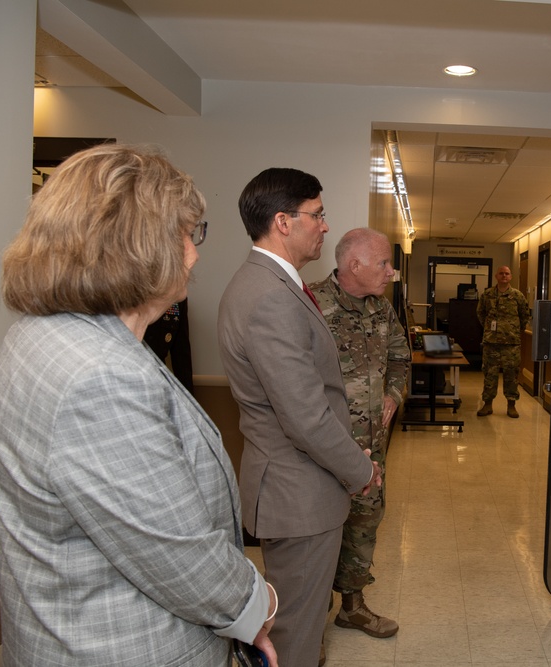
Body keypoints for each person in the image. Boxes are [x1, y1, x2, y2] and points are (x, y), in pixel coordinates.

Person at [0, 144, 277, 667]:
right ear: (141, 246)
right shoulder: (100, 375)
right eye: (188, 234)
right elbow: (178, 555)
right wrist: (259, 603)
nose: (195, 253)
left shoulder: (42, 337)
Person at [218, 167, 382, 667]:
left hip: (297, 488)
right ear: (283, 222)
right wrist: (361, 471)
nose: (325, 226)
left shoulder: (271, 285)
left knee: (298, 626)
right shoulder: (270, 297)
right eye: (318, 215)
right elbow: (305, 416)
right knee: (294, 638)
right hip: (300, 492)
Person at [309, 228, 411, 643]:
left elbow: (401, 356)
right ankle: (307, 627)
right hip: (323, 449)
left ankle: (352, 607)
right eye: (384, 263)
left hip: (372, 448)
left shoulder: (382, 309)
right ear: (354, 266)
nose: (391, 271)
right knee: (316, 533)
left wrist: (393, 393)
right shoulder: (311, 303)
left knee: (364, 523)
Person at [476, 265, 531, 418]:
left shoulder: (518, 296)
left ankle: (511, 405)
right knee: (489, 374)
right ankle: (487, 405)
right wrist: (489, 328)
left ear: (511, 276)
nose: (504, 276)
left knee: (511, 375)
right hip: (491, 343)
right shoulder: (487, 295)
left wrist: (512, 330)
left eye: (507, 274)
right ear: (496, 276)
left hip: (511, 344)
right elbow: (480, 313)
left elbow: (524, 316)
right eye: (501, 273)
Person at [145, 297, 195, 393]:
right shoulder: (129, 292)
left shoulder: (177, 297)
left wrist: (187, 399)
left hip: (160, 383)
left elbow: (181, 354)